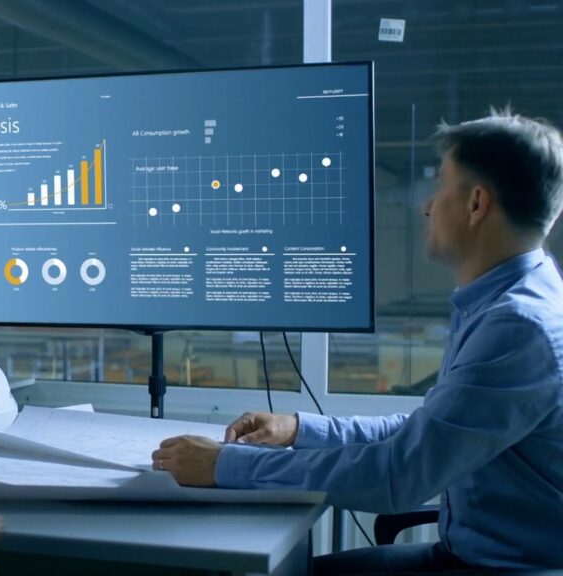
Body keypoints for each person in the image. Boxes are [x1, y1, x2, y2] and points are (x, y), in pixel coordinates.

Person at [152, 110, 563, 573]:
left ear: (475, 204)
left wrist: (226, 466)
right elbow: (427, 431)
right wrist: (299, 429)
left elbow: (398, 475)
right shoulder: (513, 299)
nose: (426, 206)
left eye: (440, 186)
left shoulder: (518, 327)